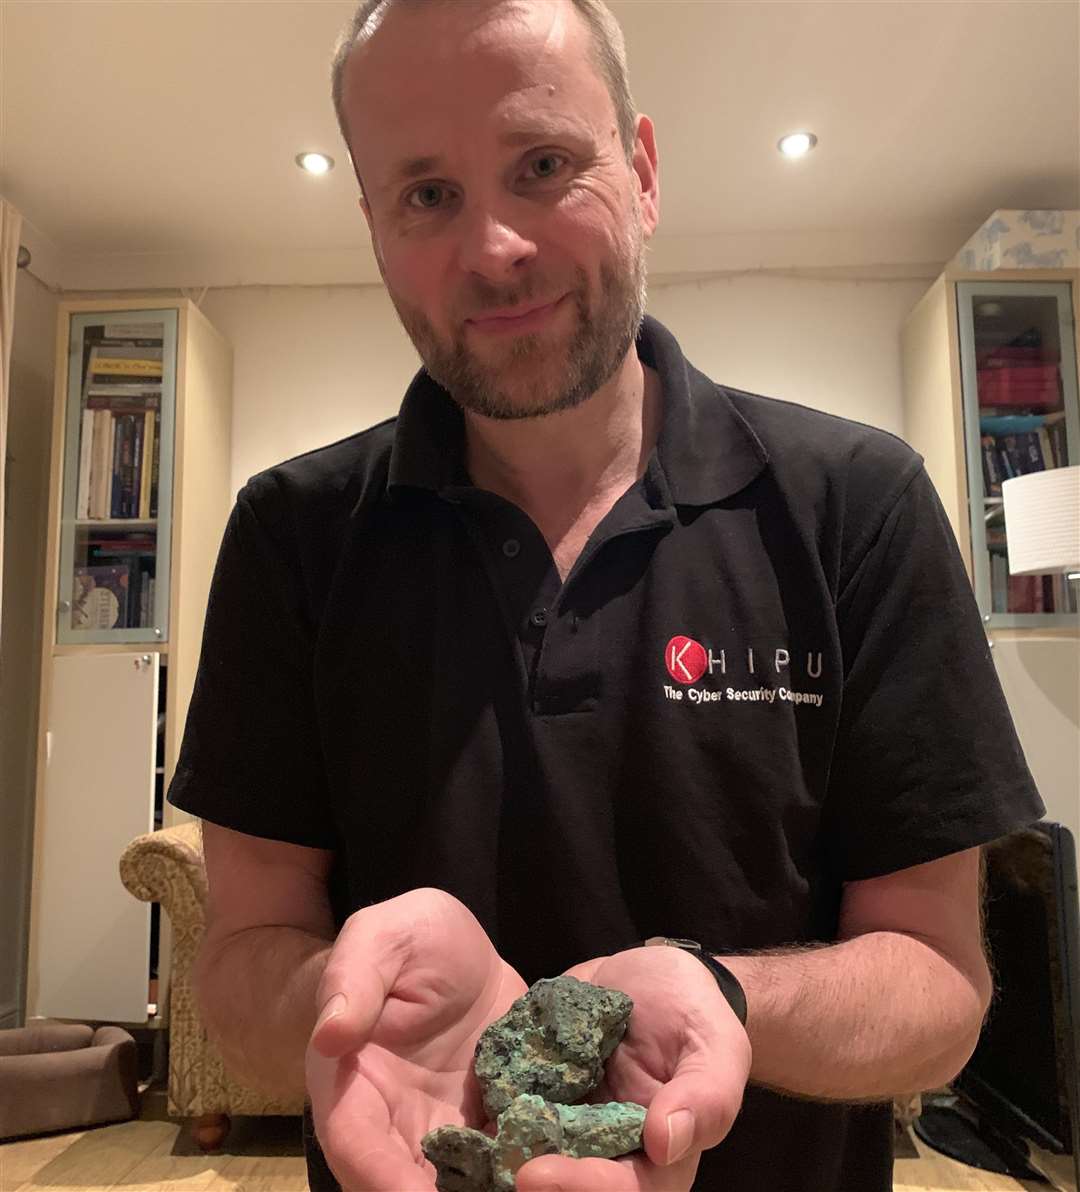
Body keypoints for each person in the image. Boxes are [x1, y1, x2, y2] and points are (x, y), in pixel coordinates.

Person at [166, 1, 1045, 1188]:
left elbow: (942, 983)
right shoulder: (291, 536)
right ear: (372, 223)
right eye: (426, 195)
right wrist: (345, 996)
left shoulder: (860, 504)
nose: (493, 251)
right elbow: (236, 965)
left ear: (640, 172)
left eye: (542, 165)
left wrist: (727, 998)